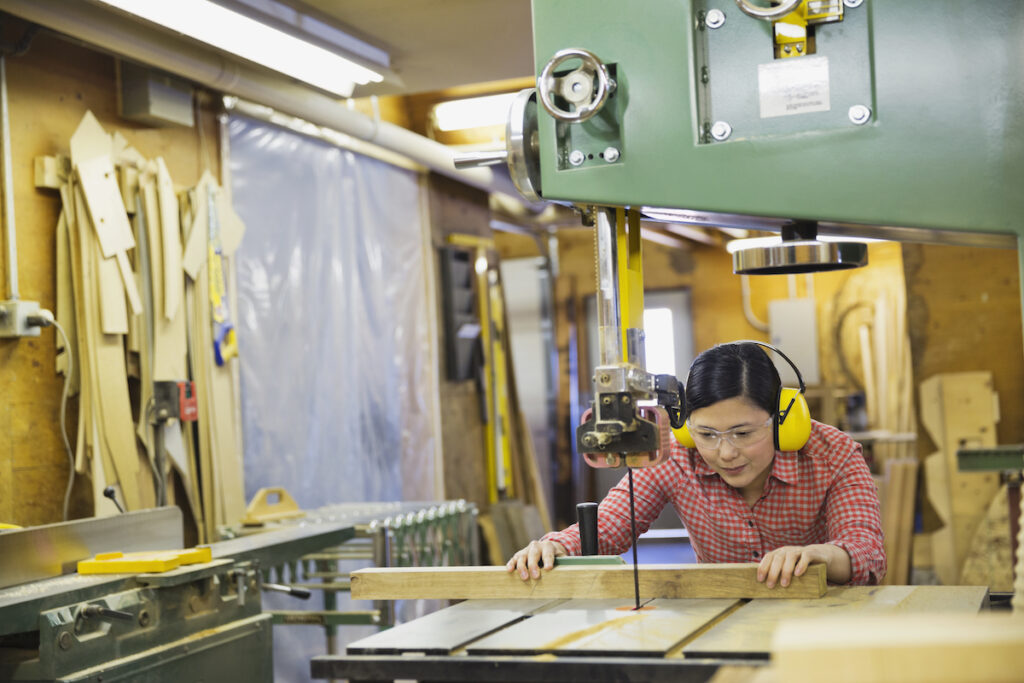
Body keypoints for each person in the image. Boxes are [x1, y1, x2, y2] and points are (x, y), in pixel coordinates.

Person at [507, 341, 886, 588]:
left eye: (742, 433)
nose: (725, 453)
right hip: (722, 622)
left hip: (825, 625)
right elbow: (610, 526)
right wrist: (555, 548)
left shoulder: (833, 455)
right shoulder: (676, 454)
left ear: (783, 422)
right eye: (707, 434)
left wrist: (819, 555)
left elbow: (867, 553)